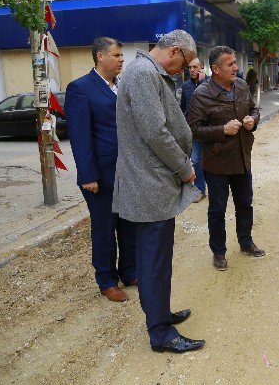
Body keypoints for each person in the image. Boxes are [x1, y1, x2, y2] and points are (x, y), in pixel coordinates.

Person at [113, 29, 204, 353]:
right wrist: (184, 168)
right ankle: (161, 334)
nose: (184, 71)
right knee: (153, 261)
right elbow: (154, 131)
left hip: (153, 183)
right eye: (186, 63)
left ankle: (160, 315)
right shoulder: (142, 73)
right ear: (175, 51)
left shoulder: (147, 72)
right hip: (149, 184)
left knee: (158, 259)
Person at [66, 37, 136, 303]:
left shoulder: (122, 86)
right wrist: (88, 176)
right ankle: (107, 280)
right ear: (100, 57)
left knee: (129, 224)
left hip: (127, 170)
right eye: (117, 55)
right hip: (101, 174)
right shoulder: (81, 88)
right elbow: (80, 137)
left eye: (121, 55)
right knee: (105, 228)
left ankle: (130, 271)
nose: (121, 59)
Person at [188, 46, 265, 272]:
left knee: (244, 203)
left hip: (242, 158)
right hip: (217, 162)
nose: (236, 67)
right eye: (230, 64)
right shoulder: (201, 94)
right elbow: (194, 129)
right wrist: (222, 129)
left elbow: (254, 108)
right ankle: (218, 252)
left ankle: (246, 242)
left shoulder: (241, 85)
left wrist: (253, 119)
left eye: (235, 62)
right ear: (215, 69)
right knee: (217, 209)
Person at [180, 57, 208, 202]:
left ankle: (215, 188)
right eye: (190, 67)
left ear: (202, 68)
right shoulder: (186, 86)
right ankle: (200, 190)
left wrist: (203, 81)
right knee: (196, 160)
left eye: (195, 67)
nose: (192, 70)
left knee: (212, 161)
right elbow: (183, 108)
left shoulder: (209, 83)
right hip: (194, 130)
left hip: (210, 130)